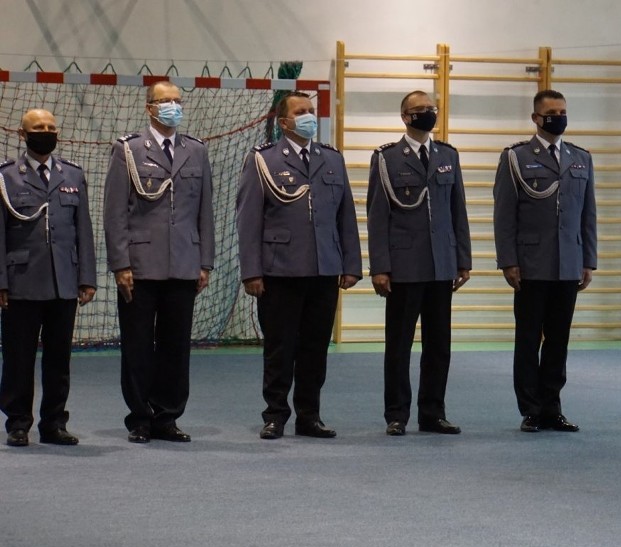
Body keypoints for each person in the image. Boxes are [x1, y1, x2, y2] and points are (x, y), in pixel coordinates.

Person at [236, 91, 361, 440]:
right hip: (280, 270)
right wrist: (252, 271)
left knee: (315, 347)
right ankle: (275, 414)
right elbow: (248, 221)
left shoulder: (332, 160)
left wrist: (351, 263)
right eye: (300, 112)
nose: (308, 116)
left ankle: (310, 415)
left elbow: (345, 216)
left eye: (311, 110)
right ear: (284, 122)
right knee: (280, 348)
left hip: (324, 268)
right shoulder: (263, 160)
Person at [103, 81, 215, 444]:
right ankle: (139, 417)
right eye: (165, 101)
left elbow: (205, 212)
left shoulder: (195, 151)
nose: (173, 107)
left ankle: (167, 416)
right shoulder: (129, 150)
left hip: (184, 262)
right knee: (137, 345)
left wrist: (206, 262)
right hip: (140, 264)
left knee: (176, 345)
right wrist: (121, 264)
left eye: (178, 101)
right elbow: (115, 212)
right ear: (149, 108)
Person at [367, 90, 471, 436]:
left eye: (432, 109)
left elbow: (458, 210)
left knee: (439, 346)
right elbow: (377, 216)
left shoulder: (447, 155)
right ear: (405, 117)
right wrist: (380, 267)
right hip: (404, 266)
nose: (428, 114)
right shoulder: (387, 158)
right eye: (420, 110)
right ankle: (397, 414)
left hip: (441, 264)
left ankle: (433, 412)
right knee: (399, 346)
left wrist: (462, 259)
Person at [492, 89, 597, 434]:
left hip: (568, 262)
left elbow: (588, 215)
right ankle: (530, 409)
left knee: (558, 340)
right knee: (528, 339)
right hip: (531, 263)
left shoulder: (580, 158)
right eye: (551, 112)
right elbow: (504, 214)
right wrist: (508, 260)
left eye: (563, 111)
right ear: (535, 118)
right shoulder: (516, 157)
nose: (558, 117)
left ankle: (552, 406)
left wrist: (588, 260)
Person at [0, 108, 96, 447]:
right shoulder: (6, 176)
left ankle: (54, 423)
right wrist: (1, 282)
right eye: (38, 127)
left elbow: (83, 229)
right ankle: (18, 423)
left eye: (51, 127)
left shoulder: (72, 175)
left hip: (63, 282)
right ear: (22, 133)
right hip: (22, 282)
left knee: (59, 359)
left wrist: (87, 278)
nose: (46, 131)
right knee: (18, 358)